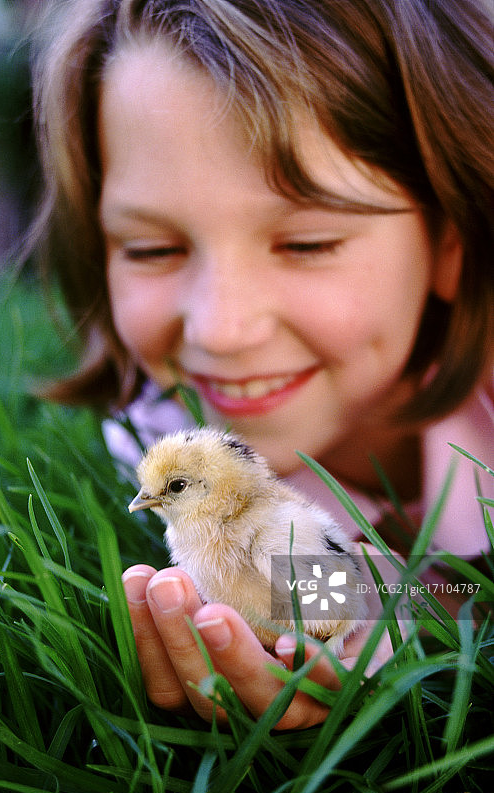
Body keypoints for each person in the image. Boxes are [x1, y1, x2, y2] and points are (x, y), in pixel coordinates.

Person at [30, 0, 493, 728]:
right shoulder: (174, 446)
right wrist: (370, 653)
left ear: (449, 241)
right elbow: (353, 626)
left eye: (305, 242)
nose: (220, 329)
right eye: (153, 249)